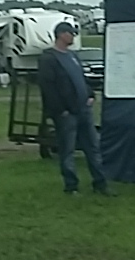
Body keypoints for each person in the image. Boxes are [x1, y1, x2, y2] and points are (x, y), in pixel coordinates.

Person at [37, 21, 108, 196]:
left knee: (93, 147)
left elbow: (81, 79)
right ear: (61, 34)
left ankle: (100, 184)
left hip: (84, 110)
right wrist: (61, 110)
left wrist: (90, 94)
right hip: (66, 113)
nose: (73, 36)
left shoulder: (73, 56)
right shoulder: (49, 58)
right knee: (67, 150)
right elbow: (48, 88)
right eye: (71, 33)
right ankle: (71, 186)